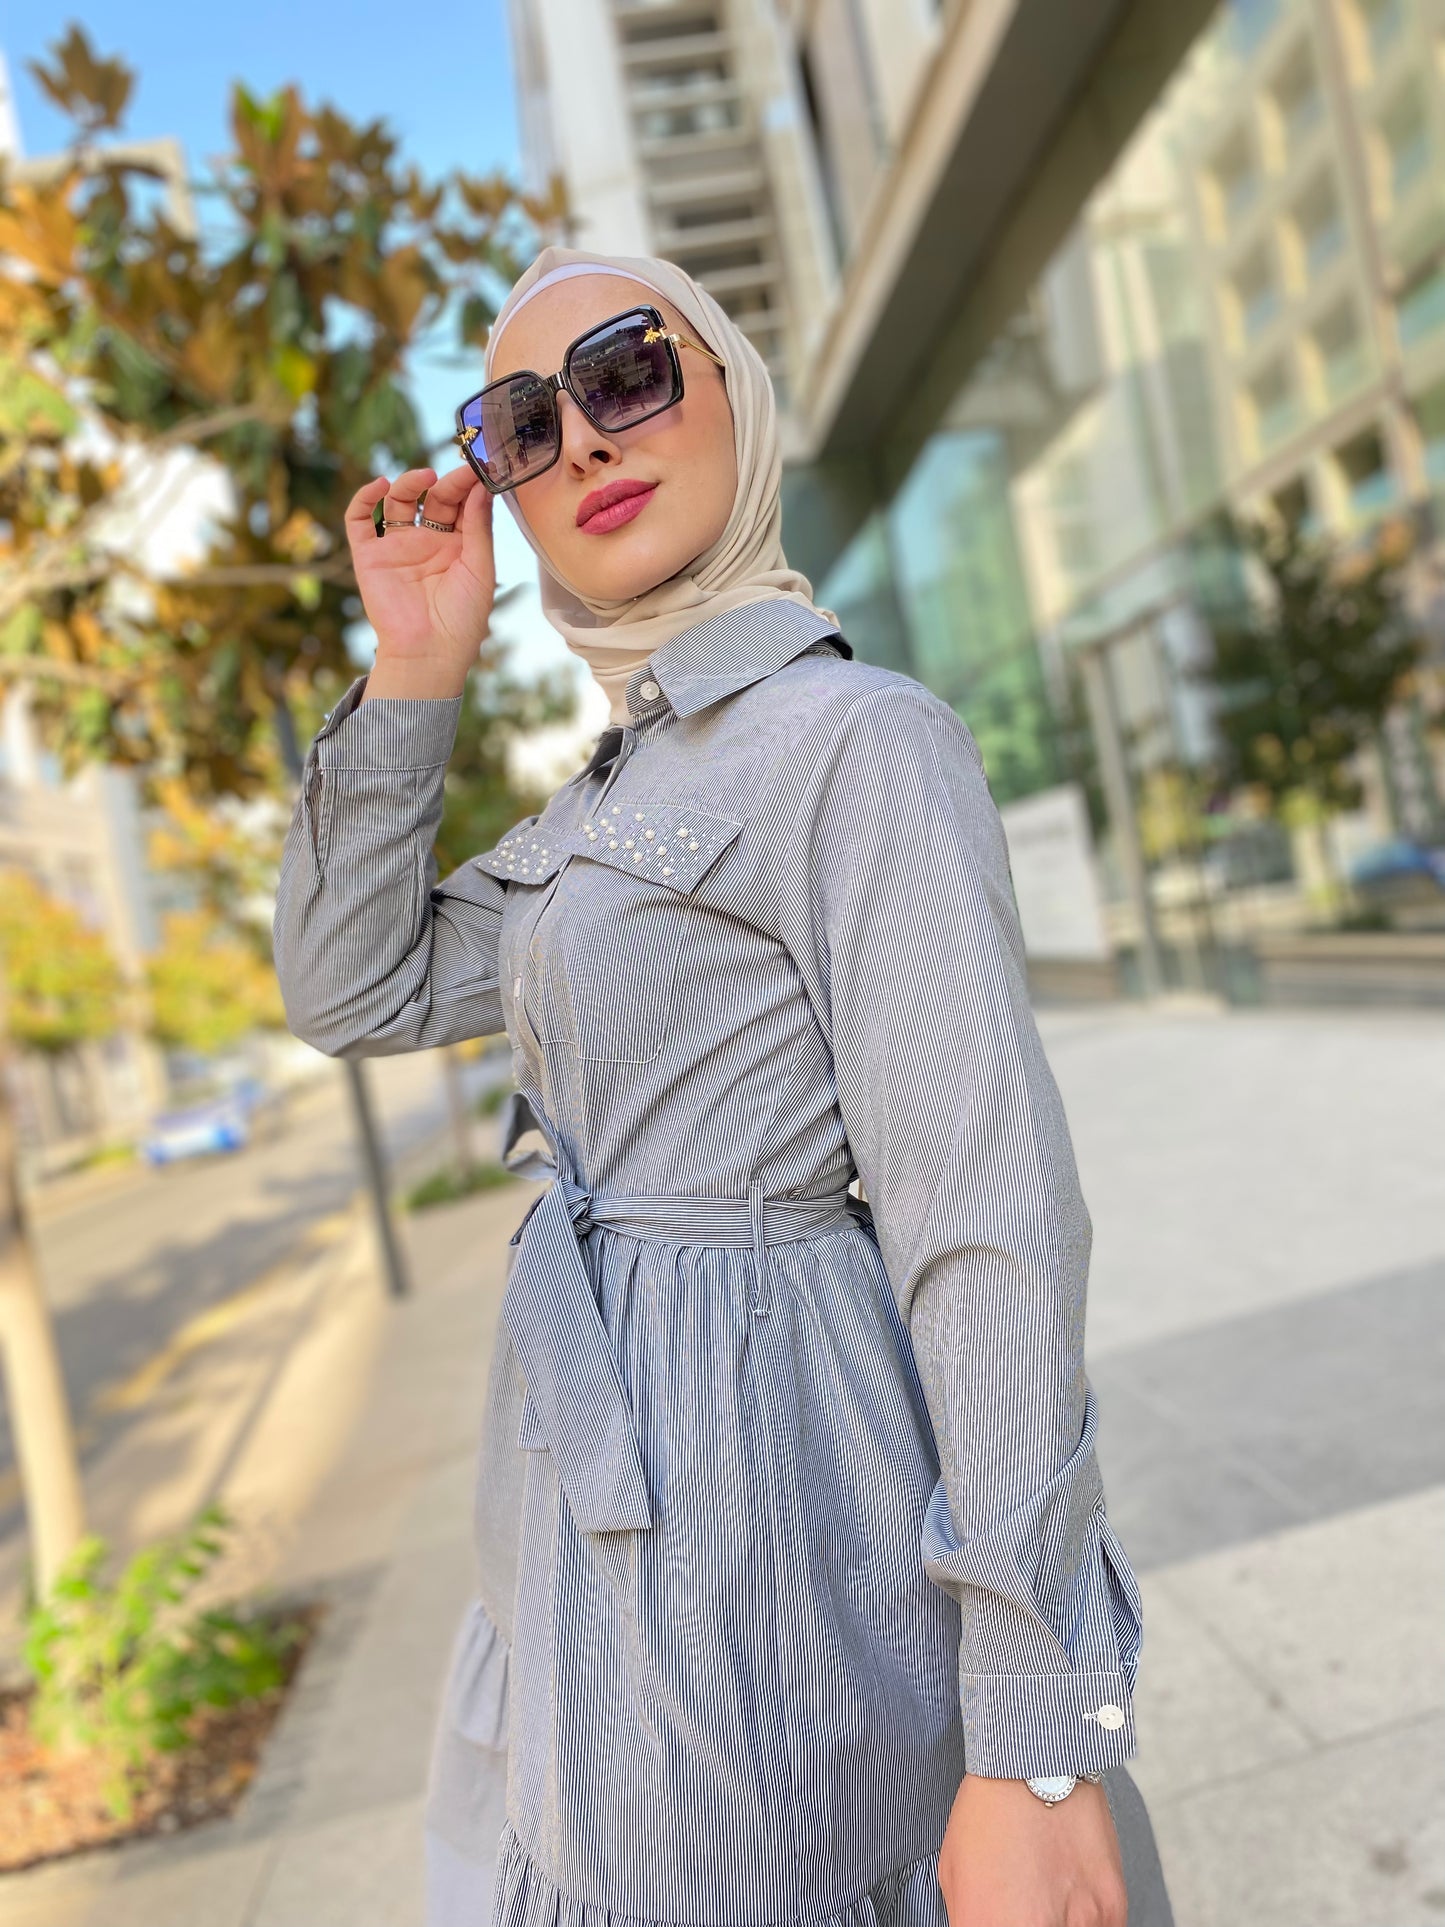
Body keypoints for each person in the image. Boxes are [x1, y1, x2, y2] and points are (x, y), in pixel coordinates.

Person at [272, 245, 1175, 1927]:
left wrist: (1032, 1739)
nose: (587, 444)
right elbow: (353, 982)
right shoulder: (607, 798)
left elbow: (985, 1224)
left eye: (628, 374)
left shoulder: (855, 740)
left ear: (732, 393)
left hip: (783, 1507)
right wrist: (414, 664)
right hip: (583, 1503)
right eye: (522, 427)